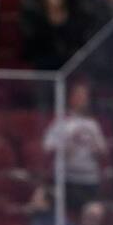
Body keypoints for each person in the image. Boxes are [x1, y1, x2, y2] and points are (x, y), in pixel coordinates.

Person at [43, 80, 107, 214]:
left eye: (84, 95)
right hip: (67, 180)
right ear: (71, 98)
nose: (82, 99)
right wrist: (64, 148)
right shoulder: (61, 121)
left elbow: (103, 151)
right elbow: (47, 147)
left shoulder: (92, 124)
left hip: (89, 180)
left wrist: (98, 150)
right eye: (78, 95)